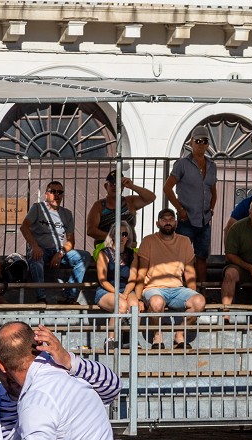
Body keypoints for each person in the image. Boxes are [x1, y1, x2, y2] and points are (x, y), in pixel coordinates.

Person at [137, 208, 205, 350]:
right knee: (156, 302)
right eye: (164, 219)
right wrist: (138, 299)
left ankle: (179, 335)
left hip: (178, 289)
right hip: (153, 288)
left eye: (170, 219)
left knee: (199, 301)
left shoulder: (185, 241)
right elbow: (141, 272)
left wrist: (194, 294)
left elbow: (190, 272)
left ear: (176, 222)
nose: (167, 222)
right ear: (157, 223)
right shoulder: (148, 240)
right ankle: (157, 336)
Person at [164, 132, 218, 286]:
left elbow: (213, 190)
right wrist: (180, 209)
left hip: (204, 220)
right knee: (182, 256)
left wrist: (212, 209)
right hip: (186, 218)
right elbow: (167, 188)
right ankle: (179, 287)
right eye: (198, 141)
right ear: (191, 143)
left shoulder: (212, 166)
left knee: (202, 257)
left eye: (204, 141)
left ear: (208, 145)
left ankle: (202, 291)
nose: (201, 144)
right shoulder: (182, 164)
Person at [21, 180, 87, 304]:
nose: (56, 194)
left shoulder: (67, 214)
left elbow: (71, 241)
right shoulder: (37, 208)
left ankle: (70, 296)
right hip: (40, 249)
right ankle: (41, 297)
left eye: (60, 192)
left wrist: (60, 253)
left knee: (84, 256)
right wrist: (34, 246)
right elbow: (24, 227)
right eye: (53, 191)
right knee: (36, 259)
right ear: (46, 194)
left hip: (58, 251)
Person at [96, 222, 142, 348]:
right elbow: (102, 280)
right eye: (118, 234)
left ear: (128, 237)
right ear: (112, 236)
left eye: (124, 234)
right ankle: (110, 339)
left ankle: (131, 339)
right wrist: (119, 295)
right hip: (107, 289)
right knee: (121, 305)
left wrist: (125, 294)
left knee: (134, 306)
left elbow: (133, 278)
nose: (121, 237)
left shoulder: (132, 254)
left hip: (126, 288)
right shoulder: (104, 254)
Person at [85, 171, 156, 246]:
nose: (115, 186)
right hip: (105, 247)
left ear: (123, 186)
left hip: (130, 249)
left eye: (118, 184)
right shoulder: (99, 206)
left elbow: (151, 197)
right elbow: (91, 230)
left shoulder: (130, 202)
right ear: (106, 186)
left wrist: (132, 186)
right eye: (112, 184)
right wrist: (113, 238)